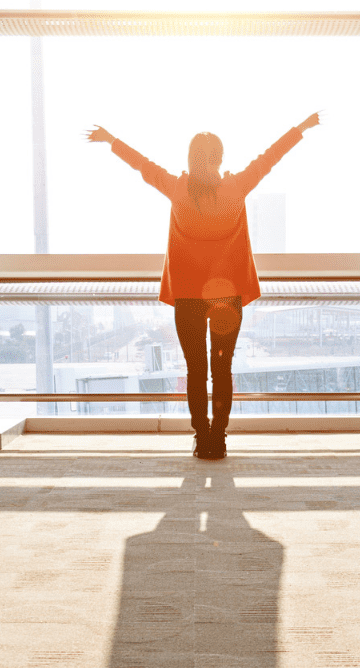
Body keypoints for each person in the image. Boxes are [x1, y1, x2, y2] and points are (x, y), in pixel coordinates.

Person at [86, 112, 320, 460]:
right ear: (220, 158)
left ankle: (201, 436)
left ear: (190, 158)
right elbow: (270, 157)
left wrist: (111, 140)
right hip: (227, 297)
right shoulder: (236, 187)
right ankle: (219, 438)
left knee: (196, 370)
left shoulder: (178, 188)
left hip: (189, 297)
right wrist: (301, 128)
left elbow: (144, 166)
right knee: (222, 368)